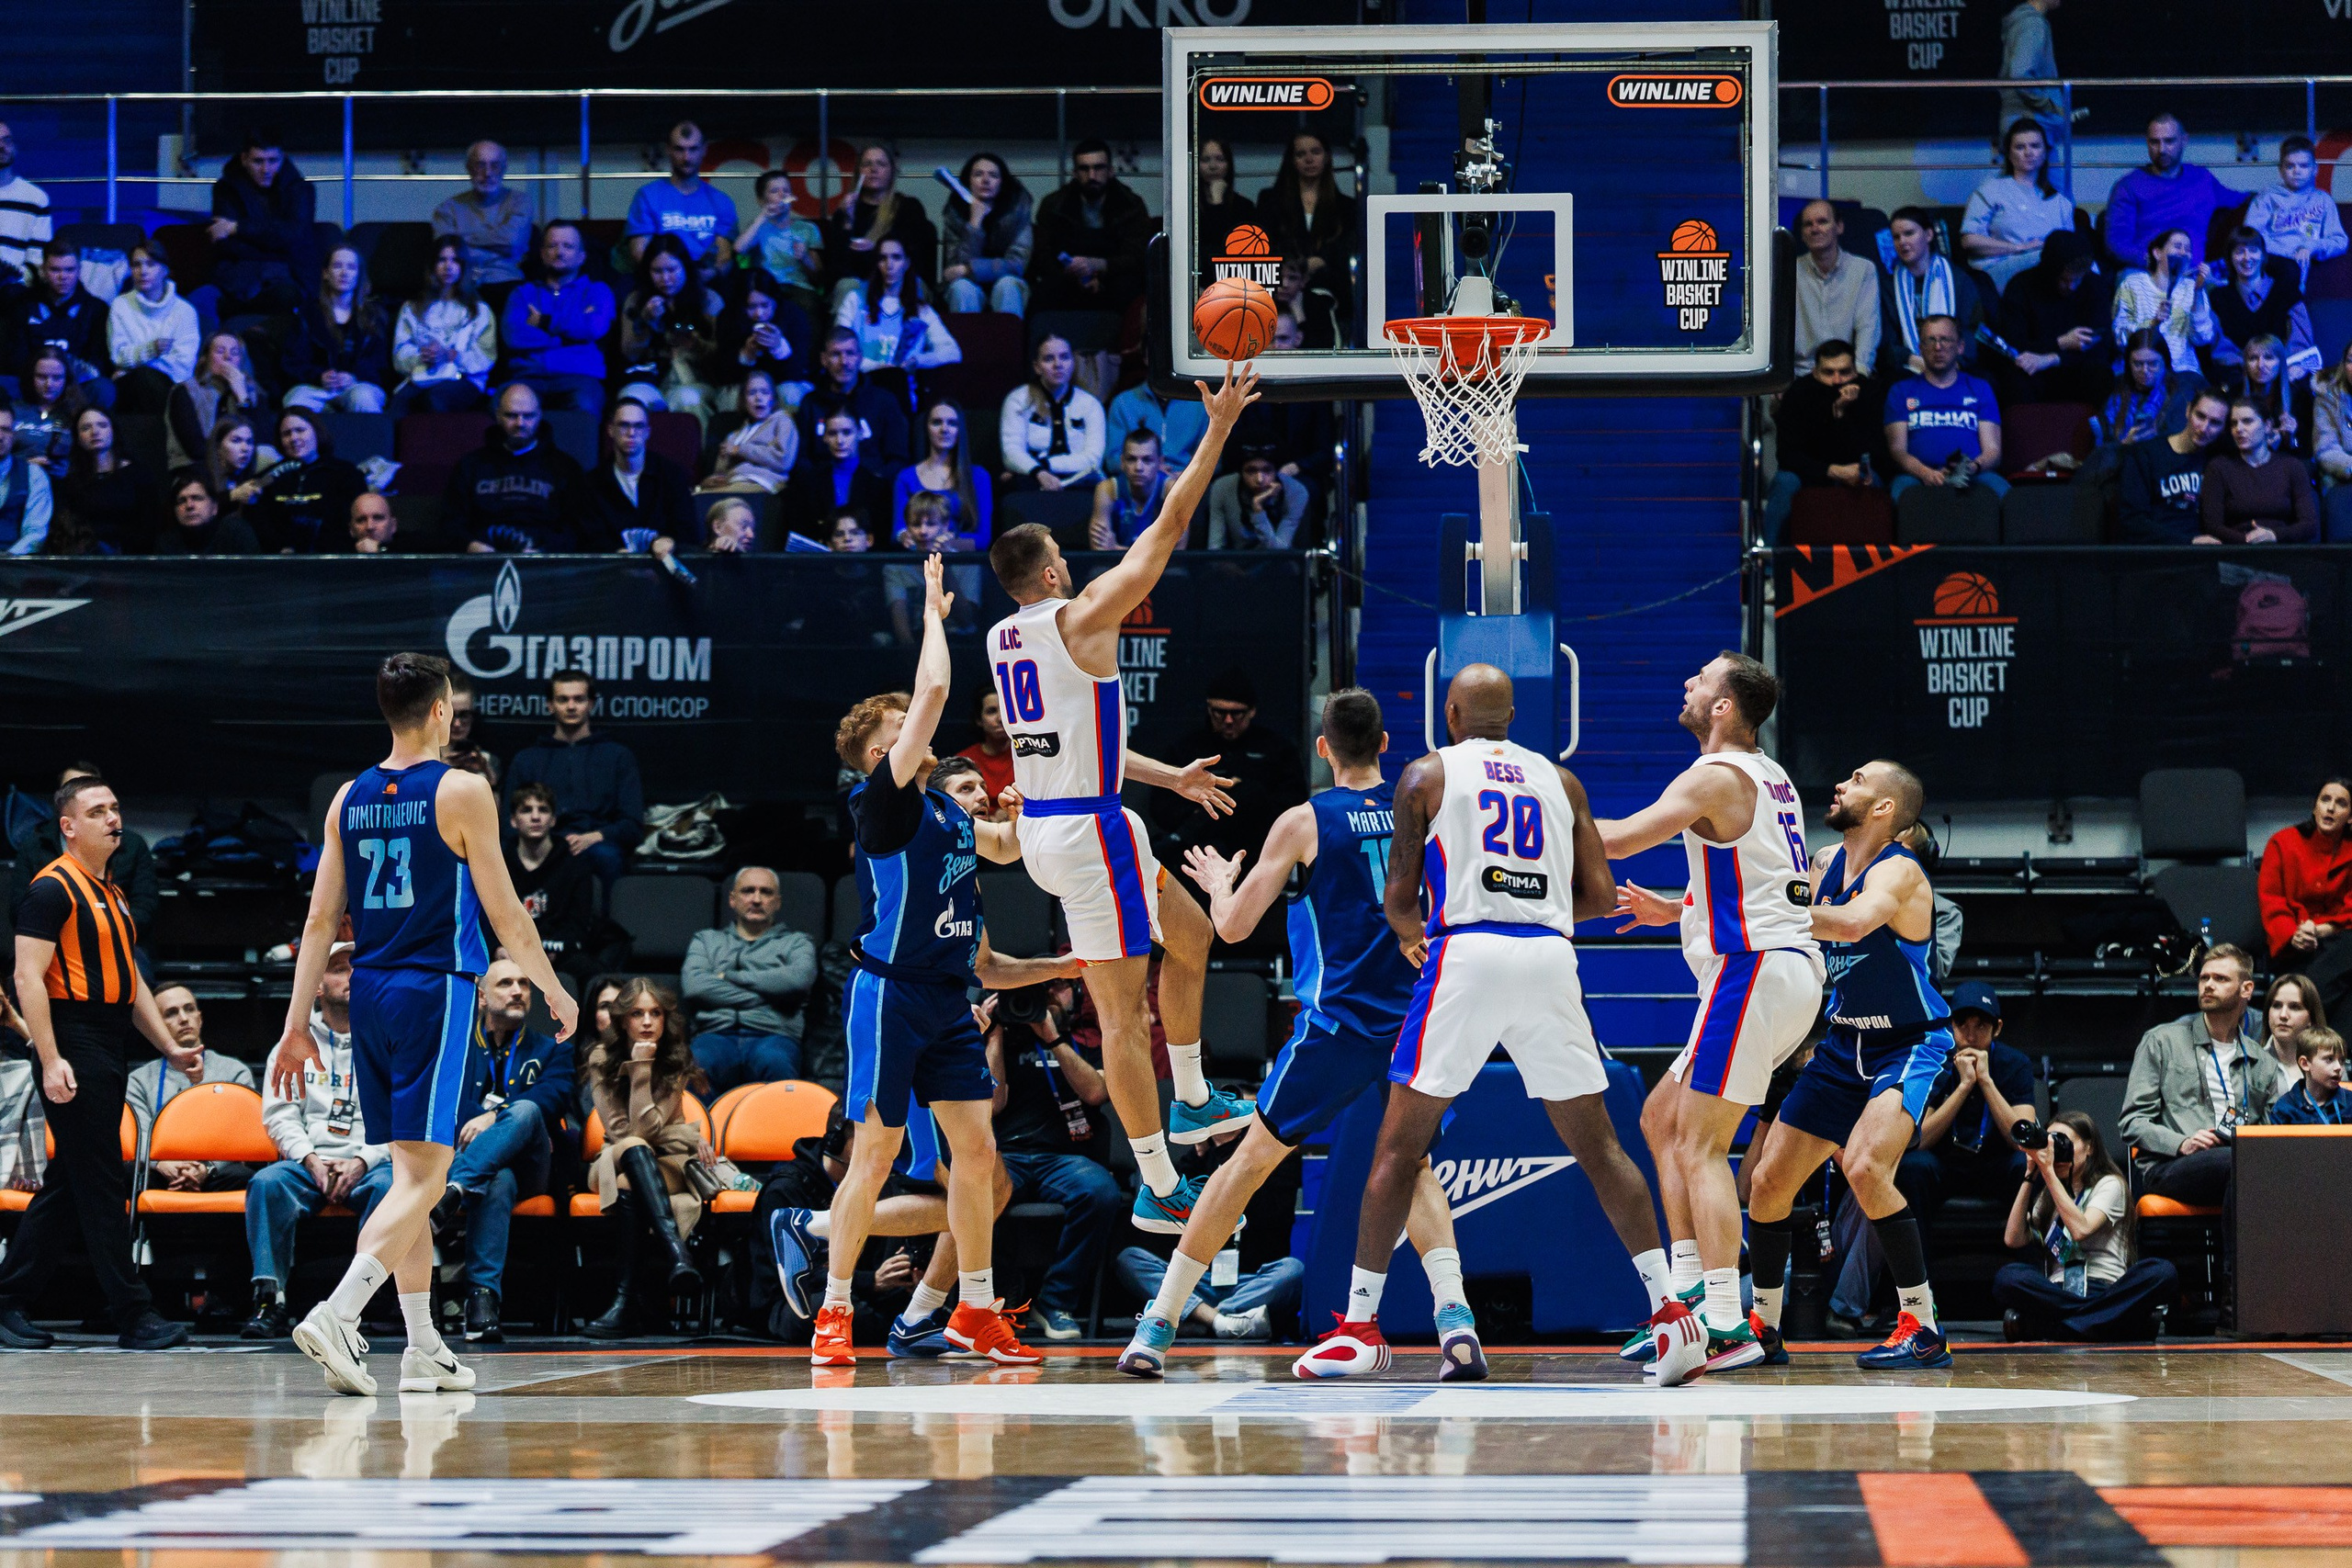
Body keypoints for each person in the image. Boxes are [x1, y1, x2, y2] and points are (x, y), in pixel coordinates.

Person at [1296, 665, 1677, 1382]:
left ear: (1450, 713)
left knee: (1398, 1148)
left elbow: (1399, 898)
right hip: (1549, 957)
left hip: (1465, 953)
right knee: (1600, 1146)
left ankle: (1360, 1328)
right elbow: (1600, 897)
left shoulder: (1426, 774)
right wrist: (1535, 908)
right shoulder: (1562, 780)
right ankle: (1669, 1310)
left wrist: (1416, 932)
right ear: (1513, 715)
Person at [1118, 689, 1473, 1377]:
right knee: (1414, 1166)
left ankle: (1157, 1325)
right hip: (1413, 1022)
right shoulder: (1422, 809)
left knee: (1245, 1166)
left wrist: (1221, 883)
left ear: (1322, 748)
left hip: (1337, 1025)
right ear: (1384, 743)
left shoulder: (1306, 820)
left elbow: (1231, 929)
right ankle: (1456, 1320)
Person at [983, 366, 1260, 1238]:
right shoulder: (1079, 619)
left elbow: (1071, 748)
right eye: (1066, 562)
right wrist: (1217, 430)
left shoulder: (1001, 637)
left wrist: (1170, 777)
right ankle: (1157, 1181)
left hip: (1076, 818)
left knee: (1193, 933)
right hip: (1085, 832)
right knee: (1120, 1017)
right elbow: (1166, 527)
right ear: (1053, 570)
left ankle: (1192, 1097)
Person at [274, 650, 579, 1396]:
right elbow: (507, 914)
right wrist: (552, 989)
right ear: (441, 709)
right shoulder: (462, 789)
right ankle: (340, 1313)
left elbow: (319, 921)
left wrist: (294, 1024)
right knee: (429, 1173)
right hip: (434, 988)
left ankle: (422, 1346)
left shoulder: (347, 797)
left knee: (407, 1172)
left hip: (370, 988)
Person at [818, 557, 1084, 1365]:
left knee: (979, 1156)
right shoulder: (883, 802)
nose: (919, 728)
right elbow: (933, 688)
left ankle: (973, 1309)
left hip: (945, 999)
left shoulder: (945, 808)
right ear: (879, 754)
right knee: (874, 1154)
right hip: (889, 994)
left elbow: (1007, 849)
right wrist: (933, 615)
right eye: (901, 727)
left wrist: (1026, 814)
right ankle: (834, 1309)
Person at [1600, 653, 1825, 1377]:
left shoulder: (1713, 775)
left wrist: (1537, 811)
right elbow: (1762, 880)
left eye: (1700, 680)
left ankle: (1726, 1321)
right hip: (1781, 969)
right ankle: (1692, 1294)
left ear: (1724, 706)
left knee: (1700, 1145)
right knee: (1660, 1118)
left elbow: (1618, 839)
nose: (1687, 684)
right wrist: (1677, 910)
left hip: (1752, 969)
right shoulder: (1772, 775)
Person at [1744, 759, 1958, 1372]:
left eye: (1859, 779)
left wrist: (1756, 912)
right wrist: (1678, 908)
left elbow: (1855, 921)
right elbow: (1752, 902)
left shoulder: (1900, 871)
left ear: (1885, 807)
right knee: (1768, 1182)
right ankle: (1763, 1327)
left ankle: (1922, 1326)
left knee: (1864, 1166)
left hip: (1907, 1042)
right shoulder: (1823, 863)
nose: (1841, 784)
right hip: (1843, 1044)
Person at [0, 775, 198, 1350]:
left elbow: (131, 981)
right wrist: (50, 1056)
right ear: (68, 827)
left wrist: (168, 1046)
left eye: (115, 808)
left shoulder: (111, 892)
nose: (114, 819)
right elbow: (27, 978)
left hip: (108, 1039)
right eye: (98, 811)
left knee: (73, 1180)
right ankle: (133, 1313)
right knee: (103, 1179)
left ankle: (7, 1300)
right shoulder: (50, 889)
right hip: (72, 1037)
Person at [243, 942, 394, 1339]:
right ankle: (270, 1298)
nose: (353, 977)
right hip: (309, 1164)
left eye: (358, 967)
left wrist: (362, 1161)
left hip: (370, 1163)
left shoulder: (386, 1039)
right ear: (316, 986)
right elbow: (280, 1114)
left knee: (395, 1188)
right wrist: (309, 1159)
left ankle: (370, 1299)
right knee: (267, 1183)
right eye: (339, 969)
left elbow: (400, 1118)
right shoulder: (292, 1042)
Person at [426, 957, 573, 1344]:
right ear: (481, 997)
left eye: (524, 984)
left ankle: (454, 1191)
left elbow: (553, 1098)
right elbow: (446, 1105)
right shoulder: (456, 1049)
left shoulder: (552, 1048)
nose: (518, 991)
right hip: (481, 1165)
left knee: (526, 1110)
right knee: (496, 1181)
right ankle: (482, 1302)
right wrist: (481, 1120)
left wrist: (495, 1115)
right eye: (505, 983)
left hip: (533, 1166)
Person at [982, 973, 1124, 1342]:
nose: (1046, 995)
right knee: (972, 1194)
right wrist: (994, 1035)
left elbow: (1096, 1093)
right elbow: (993, 1104)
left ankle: (1055, 1302)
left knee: (1101, 1193)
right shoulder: (994, 1039)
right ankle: (997, 1301)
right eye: (1036, 989)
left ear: (1075, 992)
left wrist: (1053, 1039)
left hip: (1064, 1157)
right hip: (1006, 1155)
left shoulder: (1090, 1040)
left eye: (1056, 986)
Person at [578, 976, 707, 1337]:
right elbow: (623, 1132)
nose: (648, 1022)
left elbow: (649, 1130)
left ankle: (625, 1304)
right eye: (637, 1014)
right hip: (613, 1157)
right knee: (632, 1151)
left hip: (668, 1160)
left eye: (655, 1013)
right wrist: (639, 1069)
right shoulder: (600, 1058)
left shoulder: (676, 1059)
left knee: (628, 1184)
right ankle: (677, 1253)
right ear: (623, 1021)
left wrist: (645, 1067)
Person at [2120, 943, 2290, 1213]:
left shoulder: (2263, 1062)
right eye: (2204, 978)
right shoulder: (2162, 1041)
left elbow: (2270, 1132)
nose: (2208, 985)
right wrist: (2182, 1143)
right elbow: (2132, 1122)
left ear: (2246, 989)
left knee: (2277, 1167)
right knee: (2240, 1165)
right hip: (2171, 1165)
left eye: (2220, 979)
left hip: (2238, 1163)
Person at [1994, 1110, 2178, 1340]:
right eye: (2051, 1144)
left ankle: (2055, 1328)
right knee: (2008, 1277)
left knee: (2162, 1272)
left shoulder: (2110, 1185)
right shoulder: (2048, 1196)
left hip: (2107, 1289)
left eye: (2063, 1143)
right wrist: (2030, 1175)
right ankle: (2106, 1323)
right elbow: (2013, 1239)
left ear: (2089, 1147)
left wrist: (2048, 1172)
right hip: (2059, 1293)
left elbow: (2081, 1229)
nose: (2056, 1152)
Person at [1899, 979, 2035, 1250]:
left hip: (1994, 1163)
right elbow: (1920, 1139)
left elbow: (2023, 1139)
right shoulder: (1934, 1063)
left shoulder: (2015, 1064)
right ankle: (1918, 1272)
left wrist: (1985, 1081)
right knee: (1913, 1166)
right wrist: (1963, 1086)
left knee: (2025, 1164)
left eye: (1981, 1026)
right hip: (1945, 1165)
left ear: (1997, 1028)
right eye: (1962, 1025)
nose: (1970, 1037)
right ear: (1951, 1026)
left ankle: (2027, 1266)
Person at [1148, 670, 1308, 875]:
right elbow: (1161, 804)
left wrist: (1245, 800)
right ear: (1209, 708)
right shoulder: (1186, 749)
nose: (1229, 720)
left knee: (1248, 793)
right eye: (1220, 713)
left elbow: (1295, 803)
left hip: (1258, 849)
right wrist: (1201, 808)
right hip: (1199, 852)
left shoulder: (1276, 749)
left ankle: (1180, 838)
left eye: (1237, 713)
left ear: (1252, 711)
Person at [684, 866, 819, 1092]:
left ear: (777, 902)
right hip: (715, 1035)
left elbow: (796, 982)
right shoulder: (706, 940)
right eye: (748, 891)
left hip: (774, 1036)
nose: (756, 899)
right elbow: (695, 987)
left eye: (766, 892)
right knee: (698, 1064)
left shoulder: (797, 942)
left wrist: (727, 976)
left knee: (776, 1062)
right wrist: (773, 996)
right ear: (732, 900)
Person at [504, 671, 644, 888]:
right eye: (563, 699)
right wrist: (548, 841)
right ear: (550, 705)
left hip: (598, 845)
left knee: (607, 856)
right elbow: (509, 823)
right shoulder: (527, 760)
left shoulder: (618, 757)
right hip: (541, 845)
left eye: (579, 699)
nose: (571, 706)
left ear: (591, 704)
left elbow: (632, 825)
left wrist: (595, 836)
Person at [128, 986, 258, 1192]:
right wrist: (161, 1164)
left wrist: (207, 1168)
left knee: (245, 1178)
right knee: (126, 1174)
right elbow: (139, 1135)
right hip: (161, 1171)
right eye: (171, 1013)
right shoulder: (139, 1080)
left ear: (200, 1018)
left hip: (217, 1172)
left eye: (189, 1009)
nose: (183, 1018)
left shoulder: (234, 1072)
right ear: (155, 1026)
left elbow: (238, 1133)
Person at [446, 383, 586, 554]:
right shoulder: (470, 465)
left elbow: (577, 527)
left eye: (528, 416)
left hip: (543, 559)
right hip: (482, 558)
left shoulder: (566, 468)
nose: (520, 423)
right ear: (498, 415)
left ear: (540, 415)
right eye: (511, 415)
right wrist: (470, 545)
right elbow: (451, 522)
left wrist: (545, 551)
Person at [1763, 340, 1882, 543]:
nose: (1837, 380)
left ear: (1855, 370)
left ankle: (1880, 557)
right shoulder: (1799, 392)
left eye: (1844, 372)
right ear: (1815, 371)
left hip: (1856, 468)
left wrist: (1842, 415)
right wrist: (1832, 470)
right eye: (1828, 373)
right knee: (1785, 481)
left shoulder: (1869, 391)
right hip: (1810, 472)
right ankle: (1771, 558)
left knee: (1876, 478)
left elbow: (1875, 448)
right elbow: (1788, 455)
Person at [1883, 315, 2007, 502]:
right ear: (1920, 348)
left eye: (1945, 339)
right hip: (1916, 476)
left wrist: (1971, 468)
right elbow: (1898, 450)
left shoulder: (1980, 388)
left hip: (1972, 474)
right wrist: (1925, 473)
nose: (1938, 347)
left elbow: (1993, 450)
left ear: (1960, 347)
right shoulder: (1901, 391)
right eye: (1930, 340)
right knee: (1900, 494)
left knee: (2002, 491)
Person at [495, 784, 605, 994]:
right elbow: (485, 917)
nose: (536, 817)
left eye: (543, 810)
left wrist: (551, 949)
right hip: (508, 952)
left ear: (553, 820)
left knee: (597, 976)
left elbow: (578, 923)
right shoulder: (498, 862)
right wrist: (497, 949)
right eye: (526, 810)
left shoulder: (575, 863)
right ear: (513, 820)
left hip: (559, 954)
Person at [500, 220, 616, 416]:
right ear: (542, 253)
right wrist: (569, 337)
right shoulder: (523, 294)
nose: (559, 252)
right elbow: (514, 336)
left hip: (579, 376)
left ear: (582, 256)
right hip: (529, 376)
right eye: (552, 246)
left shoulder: (597, 291)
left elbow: (594, 328)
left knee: (585, 404)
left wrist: (544, 322)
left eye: (568, 246)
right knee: (503, 404)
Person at [2259, 777, 2352, 1018]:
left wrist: (2320, 930)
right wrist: (2295, 935)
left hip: (2339, 943)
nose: (2331, 808)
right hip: (2294, 948)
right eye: (2325, 800)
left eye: (2341, 803)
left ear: (2350, 817)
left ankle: (2301, 1016)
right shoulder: (2282, 843)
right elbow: (2272, 901)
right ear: (2314, 807)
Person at [1029, 139, 1151, 316]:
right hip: (1068, 277)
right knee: (1044, 293)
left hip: (1115, 277)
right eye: (1084, 169)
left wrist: (1100, 266)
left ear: (1110, 171)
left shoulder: (1131, 205)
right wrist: (1074, 274)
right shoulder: (1054, 206)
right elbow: (1044, 255)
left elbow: (1137, 257)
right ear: (1075, 173)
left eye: (1098, 168)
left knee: (1131, 290)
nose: (1092, 176)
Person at [1994, 229, 2110, 407]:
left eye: (2077, 280)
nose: (2072, 287)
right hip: (2034, 369)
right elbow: (2012, 344)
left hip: (2075, 366)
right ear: (2051, 272)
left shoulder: (2094, 286)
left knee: (2100, 373)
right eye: (2065, 280)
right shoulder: (2021, 287)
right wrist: (2061, 343)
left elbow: (2101, 345)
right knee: (2014, 377)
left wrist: (2053, 359)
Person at [2105, 115, 2233, 274]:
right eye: (2154, 142)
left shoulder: (2202, 179)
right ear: (2147, 142)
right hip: (2146, 271)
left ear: (2184, 140)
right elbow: (2116, 244)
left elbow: (2241, 200)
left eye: (2169, 141)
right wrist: (2156, 262)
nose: (2162, 150)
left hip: (2193, 274)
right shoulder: (2128, 186)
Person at [209, 130, 318, 315]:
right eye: (258, 161)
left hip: (289, 277)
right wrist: (277, 243)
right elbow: (227, 245)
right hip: (238, 278)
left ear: (282, 158)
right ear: (244, 159)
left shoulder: (301, 190)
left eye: (273, 161)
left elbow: (294, 238)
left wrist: (237, 227)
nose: (266, 170)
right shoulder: (226, 189)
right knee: (206, 299)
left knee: (287, 297)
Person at [1961, 119, 2075, 294]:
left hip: (2047, 270)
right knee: (2045, 258)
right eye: (2020, 147)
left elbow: (2070, 247)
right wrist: (2018, 248)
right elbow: (1969, 240)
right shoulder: (1991, 190)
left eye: (2035, 146)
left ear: (2045, 152)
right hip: (2000, 268)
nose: (2029, 152)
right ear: (2009, 153)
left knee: (2084, 262)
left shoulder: (2060, 202)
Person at [822, 145, 938, 316]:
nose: (873, 169)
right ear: (859, 172)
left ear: (891, 171)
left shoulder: (908, 207)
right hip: (858, 281)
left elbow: (916, 257)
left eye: (881, 164)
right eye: (867, 164)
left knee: (914, 284)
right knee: (846, 286)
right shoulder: (845, 211)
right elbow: (836, 268)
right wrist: (847, 223)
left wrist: (875, 250)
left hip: (900, 279)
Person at [617, 234, 718, 428]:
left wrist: (696, 344)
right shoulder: (635, 300)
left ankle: (697, 448)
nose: (665, 279)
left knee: (686, 398)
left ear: (685, 268)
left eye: (672, 270)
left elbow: (722, 354)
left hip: (696, 378)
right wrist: (646, 322)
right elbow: (629, 353)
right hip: (651, 376)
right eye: (657, 271)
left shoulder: (709, 300)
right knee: (632, 397)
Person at [569, 396, 691, 556]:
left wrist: (670, 542)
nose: (631, 433)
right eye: (623, 425)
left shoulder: (672, 476)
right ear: (610, 430)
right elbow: (587, 539)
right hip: (611, 568)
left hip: (664, 565)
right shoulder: (591, 483)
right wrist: (615, 553)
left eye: (638, 426)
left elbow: (687, 531)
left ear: (647, 432)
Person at [390, 237, 498, 416]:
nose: (448, 267)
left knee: (436, 399)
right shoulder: (412, 308)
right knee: (400, 403)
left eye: (455, 260)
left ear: (463, 266)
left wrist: (451, 355)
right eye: (442, 260)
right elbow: (400, 353)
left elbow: (486, 357)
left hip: (464, 379)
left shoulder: (479, 310)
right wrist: (423, 355)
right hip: (422, 374)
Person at [1875, 209, 1986, 380]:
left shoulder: (1958, 280)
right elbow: (1887, 339)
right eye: (1896, 237)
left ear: (1928, 235)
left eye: (1909, 233)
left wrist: (1954, 363)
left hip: (1955, 364)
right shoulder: (1888, 286)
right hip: (1908, 367)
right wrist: (1916, 362)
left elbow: (1973, 329)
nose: (1902, 242)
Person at [1258, 131, 1357, 322]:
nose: (1309, 159)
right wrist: (1299, 264)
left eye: (1315, 152)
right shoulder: (1270, 200)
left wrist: (1320, 262)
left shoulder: (1346, 206)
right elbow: (1265, 244)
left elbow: (1346, 248)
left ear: (1327, 157)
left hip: (1330, 286)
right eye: (1301, 154)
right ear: (1292, 160)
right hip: (1283, 286)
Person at [1116, 1243, 1303, 1344]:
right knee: (1129, 1257)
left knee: (1294, 1269)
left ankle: (1205, 1322)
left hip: (1249, 1287)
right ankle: (1221, 1323)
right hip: (1191, 1280)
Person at [625, 120, 736, 284]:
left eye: (693, 149)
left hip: (705, 283)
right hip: (661, 281)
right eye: (679, 149)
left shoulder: (722, 201)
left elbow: (724, 257)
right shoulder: (647, 196)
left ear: (704, 150)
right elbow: (639, 252)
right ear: (668, 149)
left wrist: (697, 281)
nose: (686, 157)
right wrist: (672, 280)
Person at [2209, 230, 2322, 387]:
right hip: (2240, 375)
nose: (2247, 257)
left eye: (2253, 251)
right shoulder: (2219, 297)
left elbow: (2300, 344)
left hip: (2285, 373)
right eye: (2239, 252)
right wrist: (2253, 369)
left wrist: (2279, 369)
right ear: (2230, 258)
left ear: (2263, 255)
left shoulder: (2287, 291)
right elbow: (2222, 350)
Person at [6, 243, 113, 408]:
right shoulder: (23, 305)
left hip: (76, 386)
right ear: (43, 270)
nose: (63, 276)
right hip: (31, 383)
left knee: (104, 388)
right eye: (55, 270)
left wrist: (64, 377)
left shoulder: (96, 309)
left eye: (70, 270)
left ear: (79, 270)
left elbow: (98, 362)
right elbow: (15, 358)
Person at [2118, 387, 2231, 543]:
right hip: (2157, 549)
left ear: (2224, 428)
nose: (2204, 428)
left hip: (2205, 549)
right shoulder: (2146, 454)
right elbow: (2132, 520)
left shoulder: (2219, 460)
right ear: (2188, 410)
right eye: (2200, 416)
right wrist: (2188, 542)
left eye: (2215, 423)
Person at [2199, 396, 2317, 544]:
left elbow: (2309, 525)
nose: (2238, 429)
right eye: (2234, 423)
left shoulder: (2292, 466)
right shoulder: (2219, 468)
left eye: (2247, 421)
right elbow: (2212, 526)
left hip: (2282, 549)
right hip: (2235, 549)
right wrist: (2248, 541)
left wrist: (2274, 535)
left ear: (2267, 426)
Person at [836, 236, 960, 375]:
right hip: (862, 382)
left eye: (896, 257)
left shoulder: (922, 310)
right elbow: (838, 348)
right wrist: (877, 367)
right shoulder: (855, 299)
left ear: (907, 263)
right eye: (883, 258)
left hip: (903, 384)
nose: (889, 265)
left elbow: (952, 352)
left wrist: (917, 361)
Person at [250, 408, 366, 555]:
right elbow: (261, 525)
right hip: (280, 558)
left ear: (316, 432)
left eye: (300, 430)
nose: (293, 438)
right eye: (286, 434)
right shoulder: (269, 477)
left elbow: (353, 520)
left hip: (332, 556)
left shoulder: (346, 473)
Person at [1000, 333, 1104, 493]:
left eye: (1064, 357)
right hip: (1034, 478)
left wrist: (1044, 465)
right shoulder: (1019, 399)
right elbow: (1011, 452)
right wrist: (1038, 472)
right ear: (1037, 367)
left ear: (1073, 362)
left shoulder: (1090, 404)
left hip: (1079, 478)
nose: (1058, 364)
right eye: (1049, 359)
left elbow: (1093, 459)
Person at [797, 328, 910, 468]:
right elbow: (802, 460)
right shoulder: (810, 403)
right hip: (822, 479)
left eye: (850, 353)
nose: (844, 362)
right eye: (836, 354)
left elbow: (898, 459)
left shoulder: (884, 401)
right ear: (824, 360)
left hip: (874, 479)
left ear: (860, 358)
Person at [106, 243, 198, 415]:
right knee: (141, 380)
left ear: (165, 270)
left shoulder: (185, 311)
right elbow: (119, 356)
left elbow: (183, 367)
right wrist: (151, 350)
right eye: (136, 265)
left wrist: (138, 364)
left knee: (147, 378)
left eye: (151, 264)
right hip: (131, 386)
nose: (143, 271)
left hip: (172, 386)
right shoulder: (120, 305)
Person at [2112, 228, 2216, 380]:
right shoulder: (2132, 284)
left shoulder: (2192, 287)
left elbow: (2203, 338)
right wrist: (2153, 322)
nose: (2183, 253)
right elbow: (2119, 338)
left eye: (2188, 249)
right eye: (2178, 247)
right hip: (2140, 369)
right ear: (2157, 253)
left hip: (2182, 370)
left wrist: (2198, 292)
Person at [1792, 201, 1881, 377]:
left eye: (1822, 221)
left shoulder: (1863, 269)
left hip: (1848, 372)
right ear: (1802, 234)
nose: (1815, 229)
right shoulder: (1788, 270)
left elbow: (1868, 328)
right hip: (1802, 373)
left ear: (1839, 227)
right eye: (1808, 224)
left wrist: (1859, 373)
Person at [2245, 137, 2348, 284]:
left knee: (2293, 270)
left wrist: (2312, 247)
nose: (2297, 171)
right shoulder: (2267, 197)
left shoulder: (2323, 200)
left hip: (2301, 261)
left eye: (2304, 166)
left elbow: (2340, 241)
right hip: (2270, 258)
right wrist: (2288, 252)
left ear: (2315, 169)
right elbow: (2250, 236)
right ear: (2281, 170)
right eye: (2290, 166)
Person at [431, 141, 532, 291]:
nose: (488, 173)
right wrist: (497, 244)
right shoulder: (447, 209)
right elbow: (449, 254)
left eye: (495, 165)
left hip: (507, 281)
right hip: (461, 284)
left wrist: (464, 240)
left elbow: (512, 242)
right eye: (480, 165)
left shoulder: (520, 202)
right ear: (469, 168)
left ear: (504, 168)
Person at [940, 152, 1032, 318]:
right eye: (978, 174)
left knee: (1006, 285)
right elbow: (955, 268)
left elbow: (1016, 265)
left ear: (1002, 182)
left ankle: (1007, 336)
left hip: (1009, 281)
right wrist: (974, 224)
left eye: (993, 175)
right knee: (961, 287)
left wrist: (970, 269)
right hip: (970, 284)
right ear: (968, 181)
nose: (986, 180)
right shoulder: (955, 214)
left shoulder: (1018, 210)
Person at [57, 406, 159, 554]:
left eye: (102, 425)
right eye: (86, 428)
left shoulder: (139, 474)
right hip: (87, 558)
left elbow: (150, 524)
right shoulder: (71, 482)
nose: (95, 432)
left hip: (133, 557)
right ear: (77, 438)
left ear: (113, 431)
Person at [165, 330, 271, 472]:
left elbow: (262, 441)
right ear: (206, 358)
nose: (228, 357)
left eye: (235, 353)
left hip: (244, 468)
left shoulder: (255, 394)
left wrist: (242, 399)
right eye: (220, 351)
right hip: (198, 467)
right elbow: (195, 448)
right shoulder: (185, 391)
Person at [782, 407, 894, 540]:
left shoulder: (878, 487)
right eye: (832, 433)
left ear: (860, 434)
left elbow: (881, 536)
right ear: (824, 437)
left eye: (847, 432)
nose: (839, 440)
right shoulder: (806, 485)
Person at [894, 398, 990, 545]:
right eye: (937, 422)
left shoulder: (978, 476)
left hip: (962, 557)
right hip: (919, 555)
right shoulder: (906, 477)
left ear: (960, 430)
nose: (944, 429)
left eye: (952, 423)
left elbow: (984, 538)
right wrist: (903, 537)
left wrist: (950, 543)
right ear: (926, 428)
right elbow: (898, 531)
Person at [713, 269, 814, 407]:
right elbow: (723, 373)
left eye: (765, 305)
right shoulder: (728, 318)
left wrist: (779, 348)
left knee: (790, 393)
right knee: (732, 398)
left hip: (784, 382)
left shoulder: (794, 316)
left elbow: (800, 370)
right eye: (751, 307)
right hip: (742, 383)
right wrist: (745, 354)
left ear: (775, 301)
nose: (759, 313)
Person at [736, 170, 825, 311]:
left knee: (808, 305)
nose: (782, 195)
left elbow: (818, 277)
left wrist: (804, 257)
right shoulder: (757, 227)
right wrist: (763, 217)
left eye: (786, 190)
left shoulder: (807, 229)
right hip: (766, 287)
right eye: (774, 191)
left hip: (799, 289)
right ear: (761, 200)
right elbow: (739, 249)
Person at [701, 369, 797, 495]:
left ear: (773, 398)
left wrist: (740, 449)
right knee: (696, 495)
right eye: (752, 393)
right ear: (744, 400)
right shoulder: (735, 435)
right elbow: (720, 472)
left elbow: (783, 460)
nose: (758, 398)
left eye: (764, 392)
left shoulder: (783, 421)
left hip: (762, 484)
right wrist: (712, 480)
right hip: (733, 484)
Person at [1204, 446, 1309, 550]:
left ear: (1276, 471)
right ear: (1240, 472)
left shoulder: (1295, 491)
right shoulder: (1222, 487)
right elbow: (1215, 547)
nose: (1260, 479)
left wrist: (1258, 510)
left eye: (1267, 470)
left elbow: (1279, 553)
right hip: (1235, 558)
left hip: (1279, 559)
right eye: (1251, 471)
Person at [1996, 0, 2067, 141]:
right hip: (2031, 123)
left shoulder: (2026, 21)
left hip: (2025, 121)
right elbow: (2020, 75)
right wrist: (2050, 106)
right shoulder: (2032, 23)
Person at [1106, 378, 1209, 475]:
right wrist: (1153, 470)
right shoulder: (1123, 402)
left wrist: (1188, 476)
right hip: (1137, 479)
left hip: (1189, 477)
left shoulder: (1200, 403)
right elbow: (1112, 460)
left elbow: (1209, 458)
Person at [2235, 334, 2314, 459]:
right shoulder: (2235, 394)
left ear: (2281, 362)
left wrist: (2291, 438)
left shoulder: (2300, 396)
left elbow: (2308, 450)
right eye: (2253, 358)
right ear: (2245, 364)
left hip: (2287, 460)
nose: (2260, 365)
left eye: (2268, 358)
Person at [1090, 426, 1170, 549]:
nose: (1138, 467)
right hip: (1119, 561)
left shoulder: (1171, 490)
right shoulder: (1108, 490)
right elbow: (1099, 549)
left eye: (1147, 460)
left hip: (1123, 557)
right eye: (1131, 459)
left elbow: (1177, 552)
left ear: (1160, 462)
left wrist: (1116, 548)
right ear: (1122, 462)